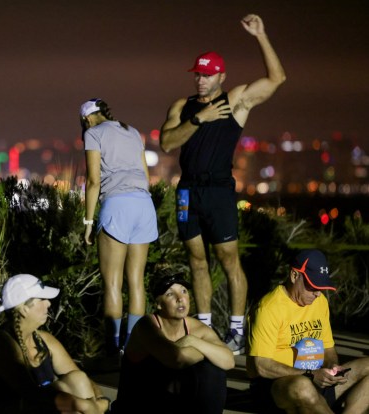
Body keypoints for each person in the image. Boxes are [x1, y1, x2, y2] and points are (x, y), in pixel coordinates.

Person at [159, 14, 286, 354]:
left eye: (208, 74)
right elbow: (168, 143)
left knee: (229, 259)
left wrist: (261, 34)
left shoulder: (235, 101)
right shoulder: (183, 107)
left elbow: (277, 78)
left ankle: (236, 331)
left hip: (218, 190)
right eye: (197, 74)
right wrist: (199, 120)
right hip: (187, 190)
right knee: (196, 261)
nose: (201, 80)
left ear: (221, 76)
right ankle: (203, 327)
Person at [0, 273, 111, 413]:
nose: (48, 303)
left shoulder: (43, 339)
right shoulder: (2, 345)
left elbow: (82, 378)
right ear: (24, 309)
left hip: (25, 405)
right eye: (41, 299)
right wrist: (81, 404)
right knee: (68, 404)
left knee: (77, 379)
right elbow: (31, 394)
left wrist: (102, 401)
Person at [246, 249, 369, 413]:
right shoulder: (268, 308)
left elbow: (328, 348)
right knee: (302, 386)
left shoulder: (320, 302)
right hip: (277, 386)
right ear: (294, 276)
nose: (318, 293)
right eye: (313, 286)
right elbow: (261, 366)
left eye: (322, 287)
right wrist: (309, 374)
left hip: (316, 378)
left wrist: (333, 366)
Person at [81, 98, 158, 357]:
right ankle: (134, 345)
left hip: (117, 206)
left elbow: (93, 181)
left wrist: (88, 222)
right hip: (144, 206)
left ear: (87, 118)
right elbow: (147, 177)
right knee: (136, 281)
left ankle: (113, 348)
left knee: (113, 283)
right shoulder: (132, 131)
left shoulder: (93, 133)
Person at [113, 271, 235, 413]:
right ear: (159, 304)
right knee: (210, 359)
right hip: (138, 404)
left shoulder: (196, 328)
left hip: (172, 404)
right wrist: (206, 351)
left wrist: (191, 340)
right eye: (170, 294)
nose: (180, 298)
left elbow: (228, 360)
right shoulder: (146, 325)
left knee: (213, 369)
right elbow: (176, 359)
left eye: (183, 291)